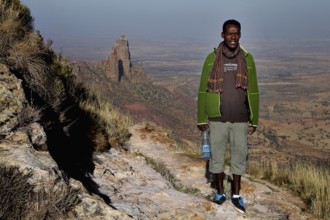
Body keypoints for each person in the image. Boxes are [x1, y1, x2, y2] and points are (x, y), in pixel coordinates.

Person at [197, 19, 259, 213]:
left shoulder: (247, 59)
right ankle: (220, 193)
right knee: (216, 156)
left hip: (240, 117)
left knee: (240, 156)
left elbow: (254, 90)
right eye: (230, 33)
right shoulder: (211, 58)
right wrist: (201, 117)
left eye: (236, 33)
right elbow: (202, 90)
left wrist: (254, 119)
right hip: (217, 117)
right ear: (222, 35)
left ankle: (236, 195)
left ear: (239, 34)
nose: (233, 37)